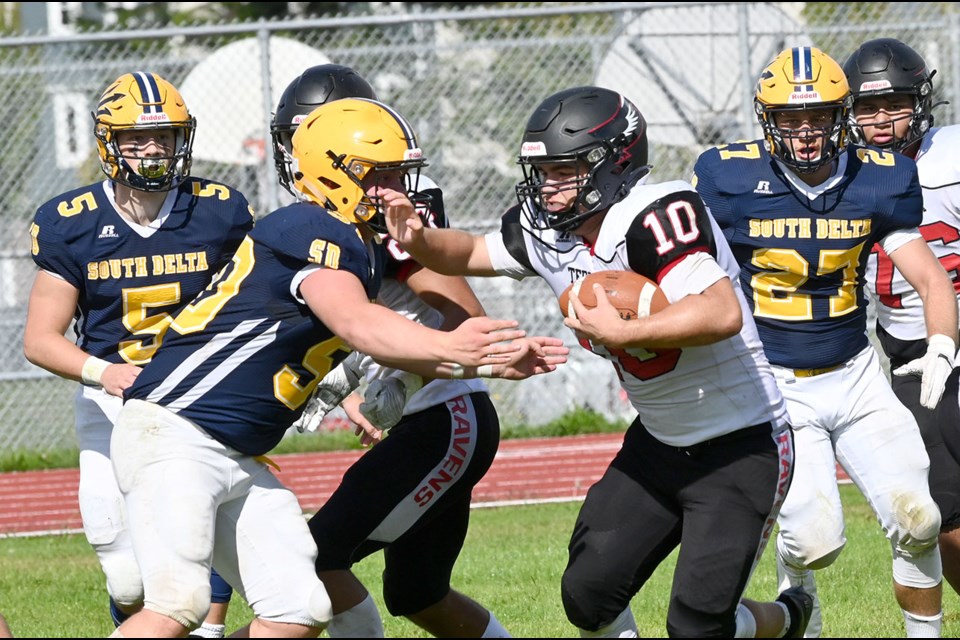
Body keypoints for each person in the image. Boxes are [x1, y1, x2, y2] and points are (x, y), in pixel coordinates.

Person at [105, 96, 569, 638]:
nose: (397, 191)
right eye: (381, 177)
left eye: (400, 176)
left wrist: (486, 361)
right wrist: (463, 350)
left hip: (231, 449)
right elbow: (358, 324)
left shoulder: (358, 246)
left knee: (298, 606)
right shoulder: (312, 226)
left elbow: (384, 338)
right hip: (176, 432)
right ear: (333, 172)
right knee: (178, 604)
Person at [385, 85, 814, 638]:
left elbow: (721, 311)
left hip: (742, 443)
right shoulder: (549, 231)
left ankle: (786, 618)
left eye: (564, 170)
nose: (548, 186)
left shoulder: (655, 214)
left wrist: (627, 328)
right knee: (588, 596)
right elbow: (467, 252)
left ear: (614, 163)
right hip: (659, 442)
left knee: (697, 626)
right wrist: (417, 239)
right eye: (542, 172)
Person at [692, 45, 958, 638]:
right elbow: (690, 271)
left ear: (843, 115)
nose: (806, 132)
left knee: (919, 520)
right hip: (775, 385)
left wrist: (940, 342)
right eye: (790, 118)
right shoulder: (726, 177)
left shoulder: (879, 177)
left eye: (818, 118)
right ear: (768, 120)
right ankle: (797, 586)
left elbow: (929, 274)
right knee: (816, 543)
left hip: (856, 373)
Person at [270, 63, 513, 638]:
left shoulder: (386, 209)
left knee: (314, 559)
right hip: (434, 415)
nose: (297, 150)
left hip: (442, 413)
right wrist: (352, 382)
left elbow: (462, 313)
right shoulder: (336, 214)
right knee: (419, 593)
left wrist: (399, 381)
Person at [22, 71, 252, 637]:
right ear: (108, 142)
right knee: (126, 578)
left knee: (196, 533)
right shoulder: (70, 222)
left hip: (197, 399)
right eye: (135, 138)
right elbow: (40, 339)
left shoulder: (217, 210)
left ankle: (207, 631)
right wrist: (109, 373)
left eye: (165, 136)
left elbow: (254, 304)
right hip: (108, 404)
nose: (153, 149)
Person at [844, 36, 960, 603]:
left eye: (893, 103)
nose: (881, 119)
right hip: (914, 362)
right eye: (868, 108)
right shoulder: (845, 177)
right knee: (943, 510)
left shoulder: (953, 154)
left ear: (921, 101)